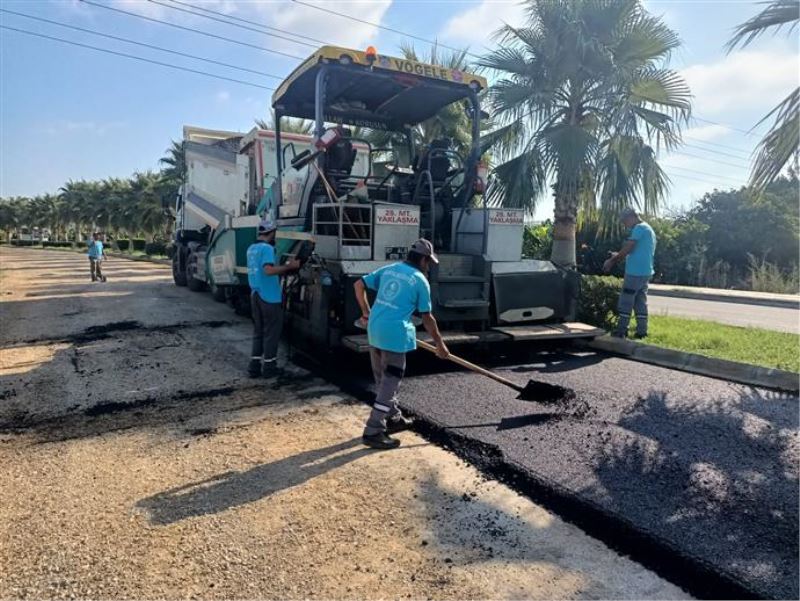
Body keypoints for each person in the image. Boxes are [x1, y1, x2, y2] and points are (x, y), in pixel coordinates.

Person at [354, 238, 449, 450]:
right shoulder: (420, 280)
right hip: (394, 336)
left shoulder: (390, 269)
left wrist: (365, 312)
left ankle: (394, 418)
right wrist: (440, 345)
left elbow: (358, 285)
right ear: (424, 260)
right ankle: (373, 430)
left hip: (375, 329)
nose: (428, 267)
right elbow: (427, 318)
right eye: (428, 262)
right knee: (390, 383)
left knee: (381, 379)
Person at [246, 219, 300, 378]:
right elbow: (268, 270)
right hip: (269, 297)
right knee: (272, 333)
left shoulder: (251, 248)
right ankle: (269, 368)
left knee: (258, 331)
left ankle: (254, 367)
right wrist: (289, 267)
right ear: (272, 233)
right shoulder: (267, 248)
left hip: (255, 294)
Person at [603, 207, 657, 339]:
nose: (624, 224)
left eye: (624, 221)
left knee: (626, 301)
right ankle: (642, 331)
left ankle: (621, 331)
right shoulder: (648, 229)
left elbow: (629, 247)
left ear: (631, 217)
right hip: (645, 272)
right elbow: (636, 251)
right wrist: (618, 254)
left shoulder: (639, 229)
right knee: (640, 301)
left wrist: (612, 260)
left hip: (635, 272)